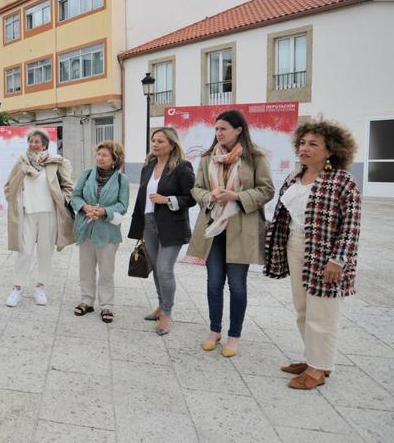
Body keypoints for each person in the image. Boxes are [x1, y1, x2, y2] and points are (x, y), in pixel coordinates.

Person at [264, 120, 361, 390]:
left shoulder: (342, 181)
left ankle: (318, 369)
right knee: (302, 309)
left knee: (323, 313)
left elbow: (351, 225)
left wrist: (337, 260)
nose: (305, 148)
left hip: (325, 253)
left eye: (313, 144)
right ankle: (314, 359)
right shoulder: (295, 178)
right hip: (295, 246)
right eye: (303, 143)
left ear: (330, 150)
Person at [187, 110, 275, 357]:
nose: (219, 133)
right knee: (213, 283)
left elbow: (267, 189)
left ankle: (234, 335)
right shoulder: (207, 157)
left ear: (238, 130)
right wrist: (210, 196)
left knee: (237, 285)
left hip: (241, 228)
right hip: (213, 227)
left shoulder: (255, 156)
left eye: (223, 128)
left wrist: (235, 196)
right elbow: (197, 188)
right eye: (216, 129)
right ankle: (215, 331)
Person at [127, 127, 196, 336]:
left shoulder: (182, 167)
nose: (155, 144)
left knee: (165, 269)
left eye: (160, 141)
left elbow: (191, 198)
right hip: (148, 223)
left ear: (172, 144)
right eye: (153, 141)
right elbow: (141, 197)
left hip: (171, 224)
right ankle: (160, 304)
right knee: (156, 268)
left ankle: (167, 312)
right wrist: (138, 225)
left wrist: (167, 200)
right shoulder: (148, 166)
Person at [3, 129, 74, 307]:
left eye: (37, 141)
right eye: (31, 141)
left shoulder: (55, 163)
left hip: (48, 214)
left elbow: (68, 186)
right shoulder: (21, 163)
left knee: (45, 252)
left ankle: (40, 288)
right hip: (26, 214)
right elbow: (8, 185)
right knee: (24, 251)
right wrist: (14, 202)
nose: (33, 144)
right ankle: (17, 288)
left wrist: (62, 199)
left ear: (44, 145)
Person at [70, 141, 129, 322]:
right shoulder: (87, 174)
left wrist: (104, 211)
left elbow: (123, 205)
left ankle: (106, 306)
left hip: (107, 232)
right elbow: (75, 196)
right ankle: (86, 301)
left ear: (114, 160)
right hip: (86, 228)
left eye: (104, 155)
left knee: (106, 271)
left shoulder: (121, 180)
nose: (100, 158)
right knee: (86, 268)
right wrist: (86, 207)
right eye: (99, 154)